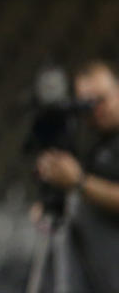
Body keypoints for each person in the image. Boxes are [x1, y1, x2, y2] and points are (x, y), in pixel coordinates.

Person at [34, 60, 119, 292]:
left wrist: (79, 182)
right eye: (88, 105)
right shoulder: (96, 144)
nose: (97, 110)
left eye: (103, 99)